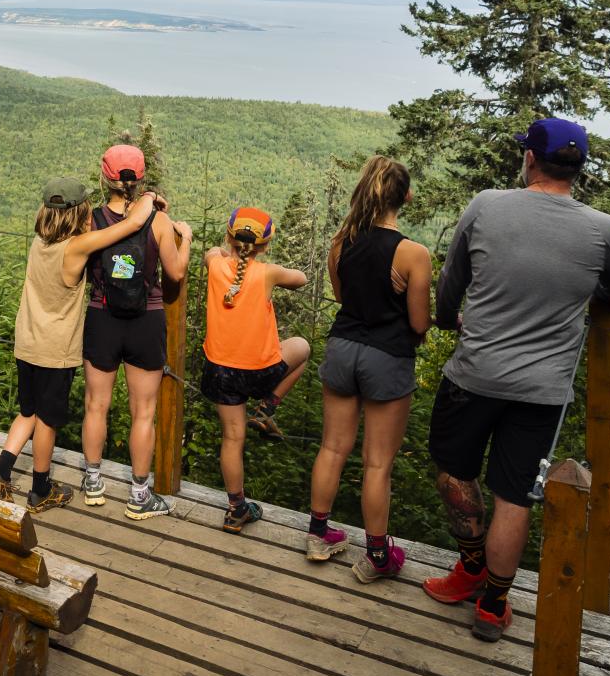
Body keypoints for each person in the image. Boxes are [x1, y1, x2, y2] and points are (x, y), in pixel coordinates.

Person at [423, 118, 610, 642]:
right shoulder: (601, 228)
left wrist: (447, 316)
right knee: (514, 495)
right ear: (577, 169)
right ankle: (494, 604)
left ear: (530, 160)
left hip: (474, 374)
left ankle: (471, 567)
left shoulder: (487, 205)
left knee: (454, 471)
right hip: (543, 391)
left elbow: (452, 282)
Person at [0, 176, 159, 512]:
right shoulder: (76, 246)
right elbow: (132, 224)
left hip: (28, 340)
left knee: (28, 411)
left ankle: (1, 471)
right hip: (55, 349)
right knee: (47, 420)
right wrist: (149, 197)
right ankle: (40, 488)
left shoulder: (39, 242)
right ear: (79, 213)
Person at [303, 156, 432, 582]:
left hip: (342, 348)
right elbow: (417, 323)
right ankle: (377, 557)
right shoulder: (413, 254)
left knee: (332, 448)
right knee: (377, 464)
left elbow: (343, 298)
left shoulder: (342, 242)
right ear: (406, 197)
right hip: (387, 357)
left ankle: (319, 535)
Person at [80, 144, 193, 519]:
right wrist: (186, 240)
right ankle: (140, 495)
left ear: (105, 176)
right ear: (139, 178)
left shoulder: (91, 219)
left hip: (102, 317)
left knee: (96, 404)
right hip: (147, 319)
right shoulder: (158, 222)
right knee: (143, 412)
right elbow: (176, 274)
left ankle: (93, 482)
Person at [201, 207, 312, 533]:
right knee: (302, 348)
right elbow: (302, 279)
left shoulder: (215, 265)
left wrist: (221, 252)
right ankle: (267, 409)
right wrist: (272, 268)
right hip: (259, 372)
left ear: (229, 237)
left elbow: (211, 253)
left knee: (232, 437)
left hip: (220, 371)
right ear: (263, 246)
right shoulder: (268, 273)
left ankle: (236, 509)